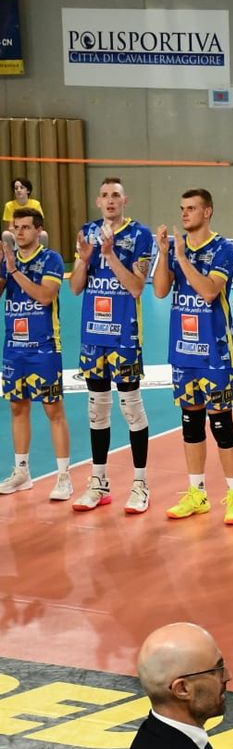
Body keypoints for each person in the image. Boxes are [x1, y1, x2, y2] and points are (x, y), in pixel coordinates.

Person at [153, 188, 233, 524]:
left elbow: (208, 291)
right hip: (183, 350)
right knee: (191, 424)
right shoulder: (177, 249)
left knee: (221, 424)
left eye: (191, 208)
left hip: (215, 351)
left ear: (208, 212)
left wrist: (180, 257)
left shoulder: (223, 249)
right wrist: (165, 254)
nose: (184, 213)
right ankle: (197, 493)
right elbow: (160, 291)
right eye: (182, 208)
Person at [69, 178, 153, 514]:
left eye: (116, 195)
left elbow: (137, 287)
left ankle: (140, 484)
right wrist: (85, 259)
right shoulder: (87, 232)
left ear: (125, 200)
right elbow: (76, 288)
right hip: (93, 335)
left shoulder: (140, 235)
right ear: (98, 201)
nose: (110, 200)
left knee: (131, 407)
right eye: (104, 195)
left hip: (124, 335)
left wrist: (110, 256)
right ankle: (98, 482)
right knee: (97, 409)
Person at [0, 208, 72, 500]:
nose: (19, 232)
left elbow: (45, 296)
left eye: (25, 227)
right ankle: (22, 472)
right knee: (17, 408)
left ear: (38, 230)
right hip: (13, 347)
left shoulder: (51, 259)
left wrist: (14, 271)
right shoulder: (8, 261)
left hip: (44, 347)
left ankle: (64, 477)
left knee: (53, 409)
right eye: (16, 227)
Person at [2, 176, 48, 249]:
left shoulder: (36, 204)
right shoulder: (9, 205)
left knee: (43, 234)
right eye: (16, 188)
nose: (18, 190)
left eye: (21, 187)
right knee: (5, 234)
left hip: (32, 233)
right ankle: (12, 256)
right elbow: (11, 228)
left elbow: (39, 225)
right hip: (16, 234)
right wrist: (21, 234)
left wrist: (28, 234)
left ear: (28, 190)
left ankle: (42, 255)